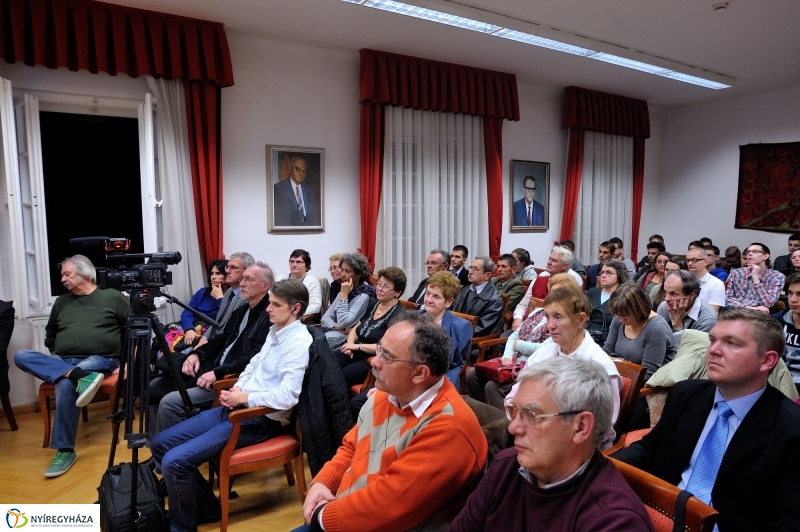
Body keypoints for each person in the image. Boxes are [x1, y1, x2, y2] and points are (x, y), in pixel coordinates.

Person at [613, 308, 800, 531]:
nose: (713, 350)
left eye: (732, 343)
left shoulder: (791, 427)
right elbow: (651, 449)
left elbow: (788, 521)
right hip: (659, 514)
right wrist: (602, 467)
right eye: (713, 340)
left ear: (767, 360)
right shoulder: (687, 394)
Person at [301, 312, 487, 532]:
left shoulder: (449, 429)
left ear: (419, 373)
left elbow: (387, 507)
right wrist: (323, 482)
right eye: (379, 349)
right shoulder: (386, 394)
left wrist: (322, 517)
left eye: (387, 357)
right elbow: (352, 448)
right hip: (348, 514)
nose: (375, 361)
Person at [152, 279, 313, 532]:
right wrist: (238, 388)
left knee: (174, 462)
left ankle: (182, 526)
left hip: (260, 420)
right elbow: (253, 366)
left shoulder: (297, 343)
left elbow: (288, 396)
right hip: (238, 408)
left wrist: (244, 399)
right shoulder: (276, 330)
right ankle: (206, 508)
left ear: (296, 308)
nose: (268, 309)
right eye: (269, 302)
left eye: (275, 304)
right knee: (160, 444)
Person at [451, 357, 654, 532]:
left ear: (581, 427)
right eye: (515, 411)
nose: (513, 428)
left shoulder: (615, 521)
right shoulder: (506, 466)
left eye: (531, 415)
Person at [14, 255, 130, 477]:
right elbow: (51, 334)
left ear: (84, 274)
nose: (63, 278)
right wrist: (56, 357)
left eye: (67, 274)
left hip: (101, 358)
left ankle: (65, 450)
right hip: (64, 360)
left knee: (66, 383)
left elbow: (132, 333)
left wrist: (125, 364)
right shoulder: (61, 301)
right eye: (62, 275)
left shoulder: (113, 297)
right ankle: (78, 375)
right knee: (21, 355)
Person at [150, 262, 274, 437]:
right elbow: (220, 339)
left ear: (265, 286)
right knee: (155, 386)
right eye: (243, 278)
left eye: (248, 279)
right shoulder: (243, 309)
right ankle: (157, 450)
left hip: (229, 381)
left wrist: (216, 373)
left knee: (170, 402)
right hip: (212, 368)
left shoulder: (269, 317)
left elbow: (253, 358)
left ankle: (173, 452)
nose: (242, 283)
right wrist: (196, 354)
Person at [504, 285, 622, 446]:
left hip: (575, 447)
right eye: (547, 316)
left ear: (580, 319)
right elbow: (515, 394)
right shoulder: (542, 354)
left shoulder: (600, 367)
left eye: (558, 317)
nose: (550, 325)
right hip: (534, 431)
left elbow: (601, 426)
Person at [465, 273, 578, 409]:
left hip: (531, 369)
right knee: (472, 375)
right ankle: (482, 414)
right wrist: (507, 356)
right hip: (511, 362)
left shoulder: (563, 321)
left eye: (557, 293)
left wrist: (518, 344)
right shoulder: (537, 312)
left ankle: (503, 425)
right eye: (551, 291)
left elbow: (543, 348)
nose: (552, 296)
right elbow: (513, 336)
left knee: (493, 387)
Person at [338, 267, 406, 389]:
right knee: (325, 364)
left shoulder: (400, 315)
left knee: (340, 376)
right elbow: (357, 327)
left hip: (371, 359)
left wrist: (357, 346)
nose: (379, 289)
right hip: (354, 350)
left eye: (385, 286)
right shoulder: (374, 304)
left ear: (397, 293)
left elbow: (386, 349)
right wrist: (349, 345)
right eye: (379, 284)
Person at [604, 282, 675, 380]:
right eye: (617, 315)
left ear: (639, 309)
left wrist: (616, 368)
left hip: (643, 388)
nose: (620, 320)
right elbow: (607, 350)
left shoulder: (657, 329)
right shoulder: (620, 317)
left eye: (625, 316)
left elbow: (647, 375)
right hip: (620, 377)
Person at [420, 271, 474, 388]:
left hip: (440, 377)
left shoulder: (461, 327)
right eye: (427, 293)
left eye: (436, 296)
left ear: (449, 302)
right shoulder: (414, 317)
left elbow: (455, 362)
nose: (428, 300)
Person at [512, 246, 583, 329]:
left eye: (554, 261)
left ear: (564, 266)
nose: (549, 262)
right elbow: (522, 305)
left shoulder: (569, 286)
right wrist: (518, 319)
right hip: (527, 324)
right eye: (549, 259)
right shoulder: (538, 280)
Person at [196, 252, 254, 346]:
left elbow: (228, 324)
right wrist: (204, 338)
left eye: (234, 267)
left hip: (223, 344)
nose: (227, 271)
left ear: (247, 271)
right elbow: (218, 321)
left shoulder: (246, 296)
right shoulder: (230, 291)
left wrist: (219, 299)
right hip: (210, 338)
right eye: (227, 267)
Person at [321, 253, 375, 349]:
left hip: (347, 340)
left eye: (347, 271)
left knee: (317, 346)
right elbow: (325, 318)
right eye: (342, 270)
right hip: (333, 332)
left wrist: (344, 296)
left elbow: (343, 322)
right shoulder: (343, 291)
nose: (342, 275)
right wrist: (336, 326)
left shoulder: (364, 296)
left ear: (358, 274)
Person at [657, 270, 717, 342]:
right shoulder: (664, 307)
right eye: (666, 292)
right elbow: (658, 342)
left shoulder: (707, 319)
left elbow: (692, 351)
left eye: (673, 294)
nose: (666, 299)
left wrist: (677, 326)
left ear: (691, 295)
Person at [451, 256, 504, 337]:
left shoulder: (494, 300)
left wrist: (454, 332)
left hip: (474, 343)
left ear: (487, 275)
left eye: (476, 269)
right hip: (455, 334)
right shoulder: (464, 290)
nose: (470, 272)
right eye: (471, 267)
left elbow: (483, 329)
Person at [180, 259, 227, 348]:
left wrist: (219, 298)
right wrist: (189, 329)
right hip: (192, 328)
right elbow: (187, 312)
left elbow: (226, 318)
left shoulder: (232, 296)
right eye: (212, 273)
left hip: (211, 334)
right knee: (162, 348)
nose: (213, 277)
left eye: (218, 273)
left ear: (227, 275)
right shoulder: (202, 292)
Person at [725, 242, 784, 313]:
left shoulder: (777, 276)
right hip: (736, 312)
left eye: (755, 251)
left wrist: (755, 277)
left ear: (765, 256)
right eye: (748, 252)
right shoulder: (736, 273)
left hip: (760, 315)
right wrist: (747, 308)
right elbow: (726, 298)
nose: (749, 254)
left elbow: (768, 304)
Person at [586, 259, 629, 344]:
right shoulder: (592, 292)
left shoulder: (623, 297)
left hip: (608, 341)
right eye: (602, 272)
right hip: (586, 337)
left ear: (620, 275)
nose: (603, 275)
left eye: (608, 272)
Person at [273, 156, 321, 226]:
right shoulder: (278, 189)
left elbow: (314, 217)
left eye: (304, 171)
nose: (301, 174)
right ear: (290, 169)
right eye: (298, 170)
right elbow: (278, 218)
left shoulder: (310, 190)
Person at [773, 272, 800, 394]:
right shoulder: (776, 321)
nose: (793, 300)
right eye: (790, 293)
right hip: (779, 381)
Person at [283, 249, 322, 316]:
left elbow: (316, 306)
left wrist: (295, 314)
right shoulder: (281, 278)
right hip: (280, 316)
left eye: (298, 262)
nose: (294, 264)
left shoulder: (312, 281)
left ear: (307, 266)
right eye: (292, 261)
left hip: (301, 318)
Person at [685, 246, 725, 312]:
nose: (689, 263)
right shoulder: (682, 280)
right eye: (687, 260)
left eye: (694, 260)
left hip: (704, 320)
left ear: (705, 262)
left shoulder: (716, 284)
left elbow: (711, 313)